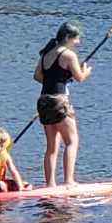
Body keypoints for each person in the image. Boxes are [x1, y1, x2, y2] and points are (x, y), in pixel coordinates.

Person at [34, 21, 92, 188]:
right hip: (59, 101)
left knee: (52, 146)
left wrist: (57, 78)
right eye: (76, 39)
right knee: (72, 141)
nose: (78, 43)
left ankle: (50, 184)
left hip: (44, 100)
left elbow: (38, 76)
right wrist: (86, 72)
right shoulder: (69, 55)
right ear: (67, 37)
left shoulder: (46, 53)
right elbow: (79, 77)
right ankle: (68, 181)